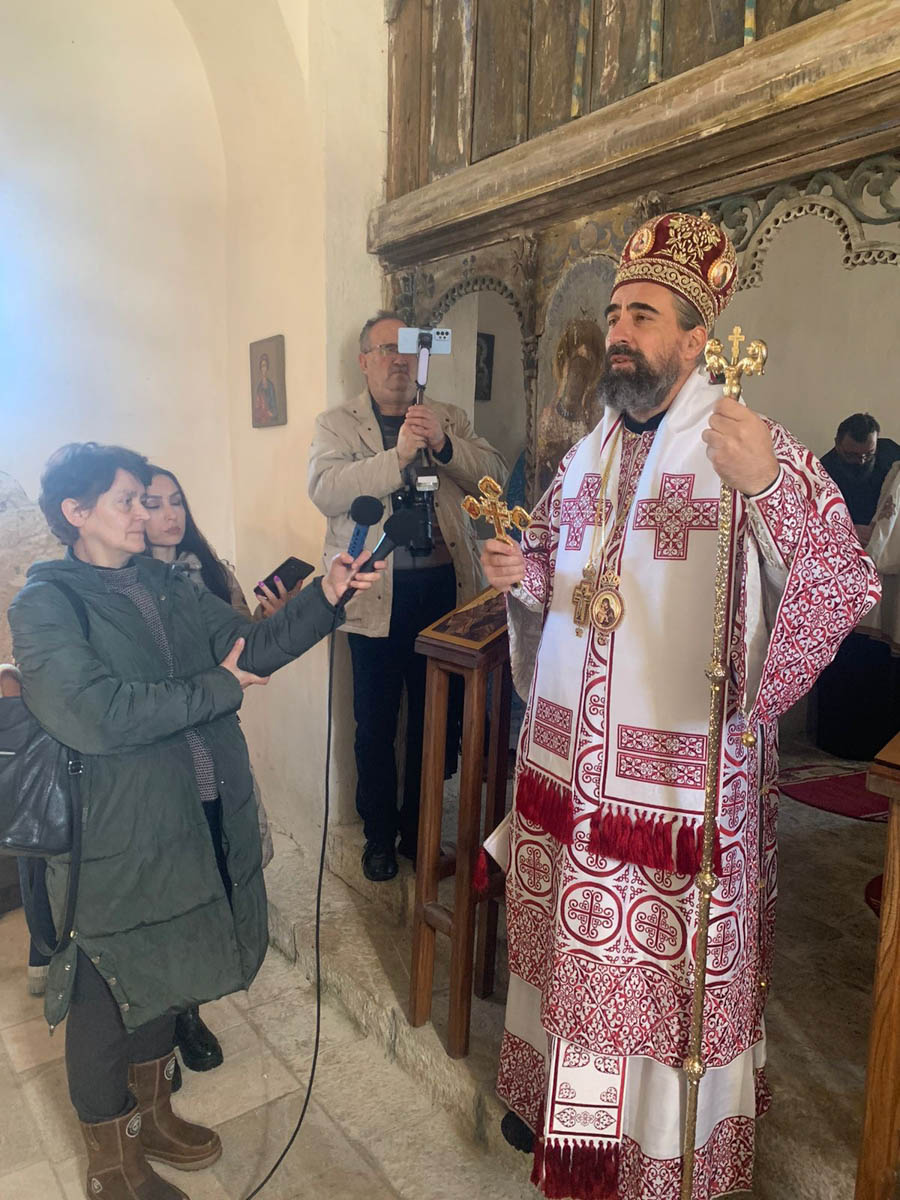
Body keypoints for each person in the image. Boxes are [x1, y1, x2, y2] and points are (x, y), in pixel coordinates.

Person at [479, 212, 879, 1200]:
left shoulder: (746, 444)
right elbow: (561, 565)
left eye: (644, 316)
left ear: (697, 339)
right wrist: (523, 572)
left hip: (675, 794)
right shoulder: (588, 452)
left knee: (659, 982)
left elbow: (844, 578)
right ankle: (568, 1126)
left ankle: (657, 1157)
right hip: (571, 774)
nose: (619, 331)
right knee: (572, 961)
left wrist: (771, 486)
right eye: (616, 313)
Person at [8, 442, 380, 1200]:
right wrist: (217, 687)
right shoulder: (46, 603)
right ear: (76, 513)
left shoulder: (165, 583)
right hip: (116, 827)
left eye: (146, 500)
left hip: (197, 807)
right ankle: (111, 1166)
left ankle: (153, 1115)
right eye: (126, 501)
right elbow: (95, 714)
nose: (144, 513)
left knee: (170, 965)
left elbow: (252, 645)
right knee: (108, 986)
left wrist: (327, 595)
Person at [308, 310, 507, 881]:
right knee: (375, 724)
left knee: (435, 722)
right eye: (386, 349)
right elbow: (326, 490)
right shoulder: (336, 425)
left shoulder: (448, 416)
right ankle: (377, 835)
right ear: (364, 360)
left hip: (444, 592)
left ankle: (419, 832)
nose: (399, 360)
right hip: (373, 595)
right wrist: (395, 459)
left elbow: (493, 474)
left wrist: (443, 443)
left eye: (409, 349)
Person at [141, 465, 294, 1084]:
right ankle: (163, 1030)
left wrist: (274, 619)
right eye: (152, 502)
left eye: (176, 500)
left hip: (213, 749)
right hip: (157, 760)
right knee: (168, 894)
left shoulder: (209, 572)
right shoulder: (120, 584)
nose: (169, 514)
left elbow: (243, 649)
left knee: (217, 880)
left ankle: (189, 1010)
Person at [820, 412, 900, 543]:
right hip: (848, 544)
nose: (861, 461)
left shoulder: (890, 451)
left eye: (869, 454)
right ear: (837, 444)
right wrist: (846, 530)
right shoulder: (821, 473)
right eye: (851, 455)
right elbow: (813, 521)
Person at [253, 353, 278, 425]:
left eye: (265, 366)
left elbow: (274, 408)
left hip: (270, 417)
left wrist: (270, 413)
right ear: (260, 368)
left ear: (267, 368)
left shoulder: (271, 386)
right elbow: (257, 406)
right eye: (262, 366)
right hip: (261, 418)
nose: (263, 368)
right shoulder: (259, 387)